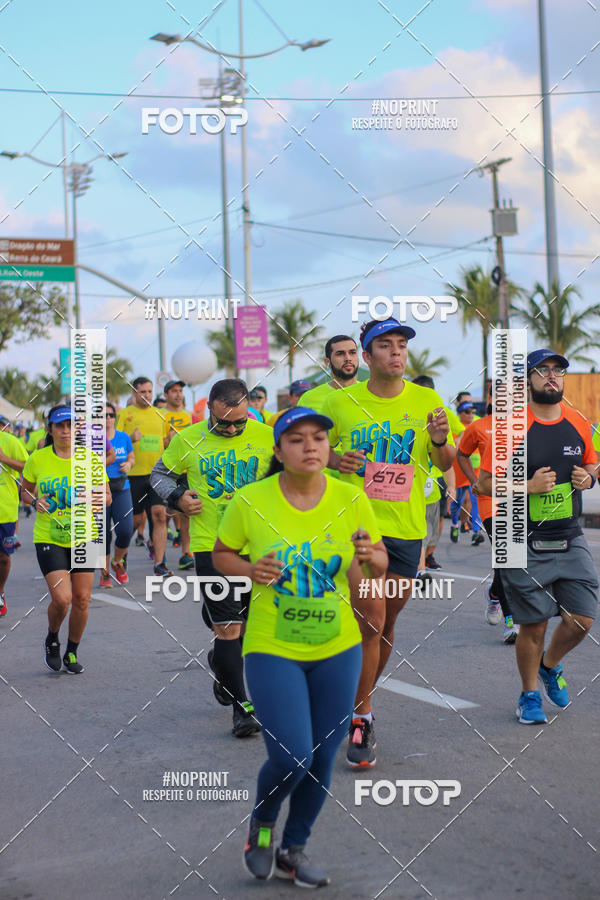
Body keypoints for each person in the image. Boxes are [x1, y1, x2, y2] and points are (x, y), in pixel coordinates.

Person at [213, 407, 387, 886]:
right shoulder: (251, 501)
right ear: (278, 450)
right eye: (296, 439)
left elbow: (372, 563)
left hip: (337, 647)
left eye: (318, 438)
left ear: (329, 448)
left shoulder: (352, 499)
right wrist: (249, 570)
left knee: (323, 759)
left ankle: (294, 848)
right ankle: (263, 825)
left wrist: (373, 561)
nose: (310, 446)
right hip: (273, 646)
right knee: (293, 756)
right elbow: (222, 553)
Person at [321, 318, 455, 766]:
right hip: (355, 526)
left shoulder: (427, 399)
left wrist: (439, 440)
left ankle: (358, 696)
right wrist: (336, 457)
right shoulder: (341, 404)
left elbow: (444, 459)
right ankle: (362, 719)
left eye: (401, 345)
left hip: (405, 528)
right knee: (371, 622)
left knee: (386, 624)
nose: (396, 353)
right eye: (385, 346)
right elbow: (309, 454)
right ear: (366, 356)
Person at [477, 349, 598, 724]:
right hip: (519, 535)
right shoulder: (509, 427)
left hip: (568, 532)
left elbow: (592, 461)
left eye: (557, 370)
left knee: (582, 617)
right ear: (527, 381)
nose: (551, 376)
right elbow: (483, 482)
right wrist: (527, 486)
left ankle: (550, 665)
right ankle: (529, 696)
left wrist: (589, 477)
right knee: (534, 624)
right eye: (542, 370)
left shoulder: (578, 421)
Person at [150, 379, 274, 738]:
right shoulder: (188, 439)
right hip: (213, 546)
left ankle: (224, 665)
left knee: (247, 632)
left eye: (240, 421)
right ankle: (242, 708)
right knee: (228, 628)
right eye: (224, 423)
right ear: (210, 411)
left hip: (262, 546)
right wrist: (176, 498)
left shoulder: (268, 436)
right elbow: (159, 475)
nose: (233, 428)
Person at [21, 405, 111, 674]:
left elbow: (107, 496)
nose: (66, 431)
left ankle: (71, 651)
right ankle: (52, 636)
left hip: (85, 536)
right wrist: (35, 501)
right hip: (50, 535)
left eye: (71, 425)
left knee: (82, 599)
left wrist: (95, 499)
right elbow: (24, 490)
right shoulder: (38, 458)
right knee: (62, 598)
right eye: (60, 425)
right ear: (50, 428)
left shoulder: (91, 459)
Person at [457, 386, 518, 643]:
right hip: (489, 500)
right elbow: (462, 454)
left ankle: (494, 594)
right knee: (507, 559)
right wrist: (474, 480)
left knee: (512, 562)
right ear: (493, 397)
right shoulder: (480, 426)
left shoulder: (527, 423)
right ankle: (511, 621)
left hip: (520, 500)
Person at [116, 376, 170, 576]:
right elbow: (113, 443)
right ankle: (121, 554)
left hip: (157, 474)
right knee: (135, 521)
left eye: (149, 391)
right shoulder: (124, 414)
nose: (147, 395)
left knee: (160, 516)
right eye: (142, 392)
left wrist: (169, 440)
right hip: (133, 476)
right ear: (134, 393)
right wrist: (131, 439)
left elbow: (165, 442)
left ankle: (159, 564)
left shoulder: (160, 414)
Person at [100, 402, 134, 587]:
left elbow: (131, 457)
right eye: (103, 415)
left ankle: (117, 561)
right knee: (103, 533)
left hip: (122, 487)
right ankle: (104, 574)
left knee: (125, 530)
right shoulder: (91, 439)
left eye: (111, 415)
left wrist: (129, 464)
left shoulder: (123, 437)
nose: (107, 418)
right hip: (99, 488)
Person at [162, 379, 194, 570]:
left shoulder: (188, 416)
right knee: (160, 514)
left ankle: (186, 553)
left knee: (186, 512)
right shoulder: (161, 415)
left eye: (180, 391)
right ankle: (158, 554)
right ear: (166, 395)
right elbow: (157, 444)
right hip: (165, 471)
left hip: (185, 470)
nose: (178, 394)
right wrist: (168, 441)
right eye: (174, 391)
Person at [0, 423, 28, 615]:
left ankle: (0, 591)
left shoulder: (10, 441)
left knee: (3, 558)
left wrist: (4, 459)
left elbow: (29, 467)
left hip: (5, 511)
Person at [449, 400, 484, 546]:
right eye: (467, 412)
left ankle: (477, 532)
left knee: (476, 499)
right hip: (459, 469)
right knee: (459, 501)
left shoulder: (478, 423)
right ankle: (454, 524)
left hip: (476, 470)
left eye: (473, 411)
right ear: (460, 414)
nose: (471, 414)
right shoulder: (455, 425)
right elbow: (451, 445)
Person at [300, 335, 359, 411]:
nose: (348, 358)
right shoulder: (308, 399)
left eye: (352, 352)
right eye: (340, 354)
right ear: (328, 362)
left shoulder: (370, 393)